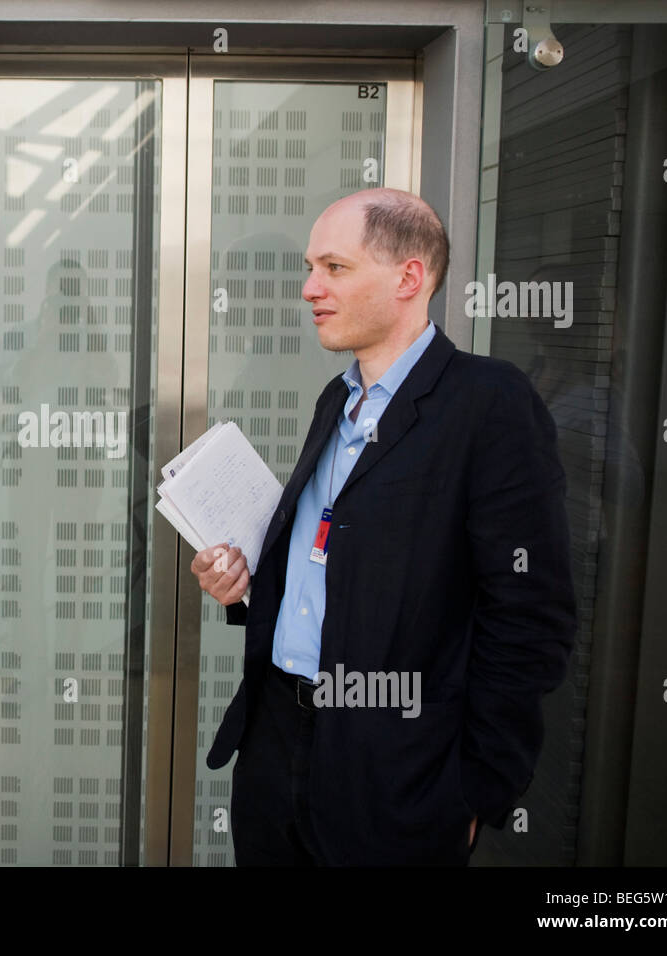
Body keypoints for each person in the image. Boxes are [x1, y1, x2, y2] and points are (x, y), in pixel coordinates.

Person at [192, 187, 576, 866]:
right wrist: (247, 585)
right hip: (277, 743)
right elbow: (337, 560)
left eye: (334, 268)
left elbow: (530, 616)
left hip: (395, 767)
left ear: (409, 277)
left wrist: (478, 792)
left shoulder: (489, 404)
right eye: (311, 268)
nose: (310, 288)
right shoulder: (336, 399)